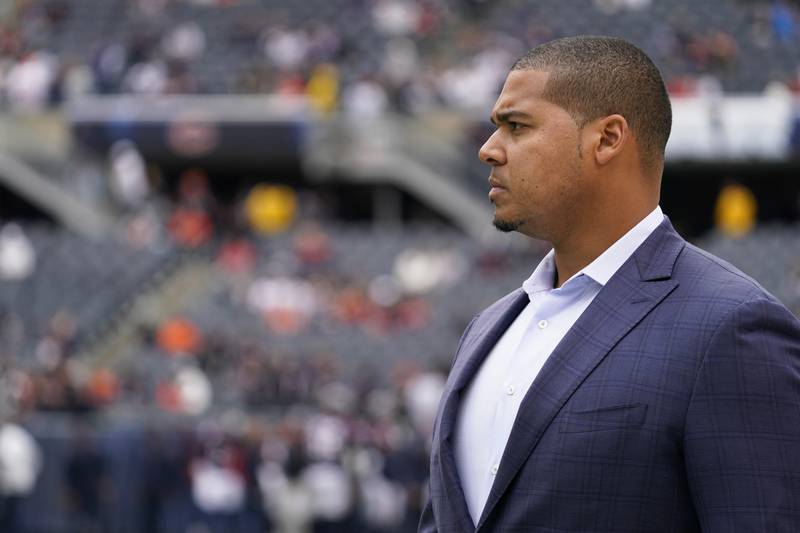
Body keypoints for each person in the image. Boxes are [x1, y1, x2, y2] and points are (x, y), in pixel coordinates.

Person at [419, 35, 800, 532]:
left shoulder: (732, 327)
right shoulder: (486, 328)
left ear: (607, 139)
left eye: (516, 126)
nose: (489, 150)